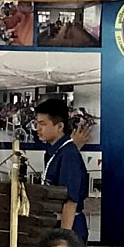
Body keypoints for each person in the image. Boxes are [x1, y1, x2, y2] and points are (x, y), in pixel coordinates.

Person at [35, 97, 90, 237]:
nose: (38, 128)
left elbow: (70, 201)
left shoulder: (68, 155)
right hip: (53, 224)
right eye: (37, 123)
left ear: (59, 126)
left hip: (68, 227)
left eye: (43, 124)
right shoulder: (54, 152)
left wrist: (64, 238)